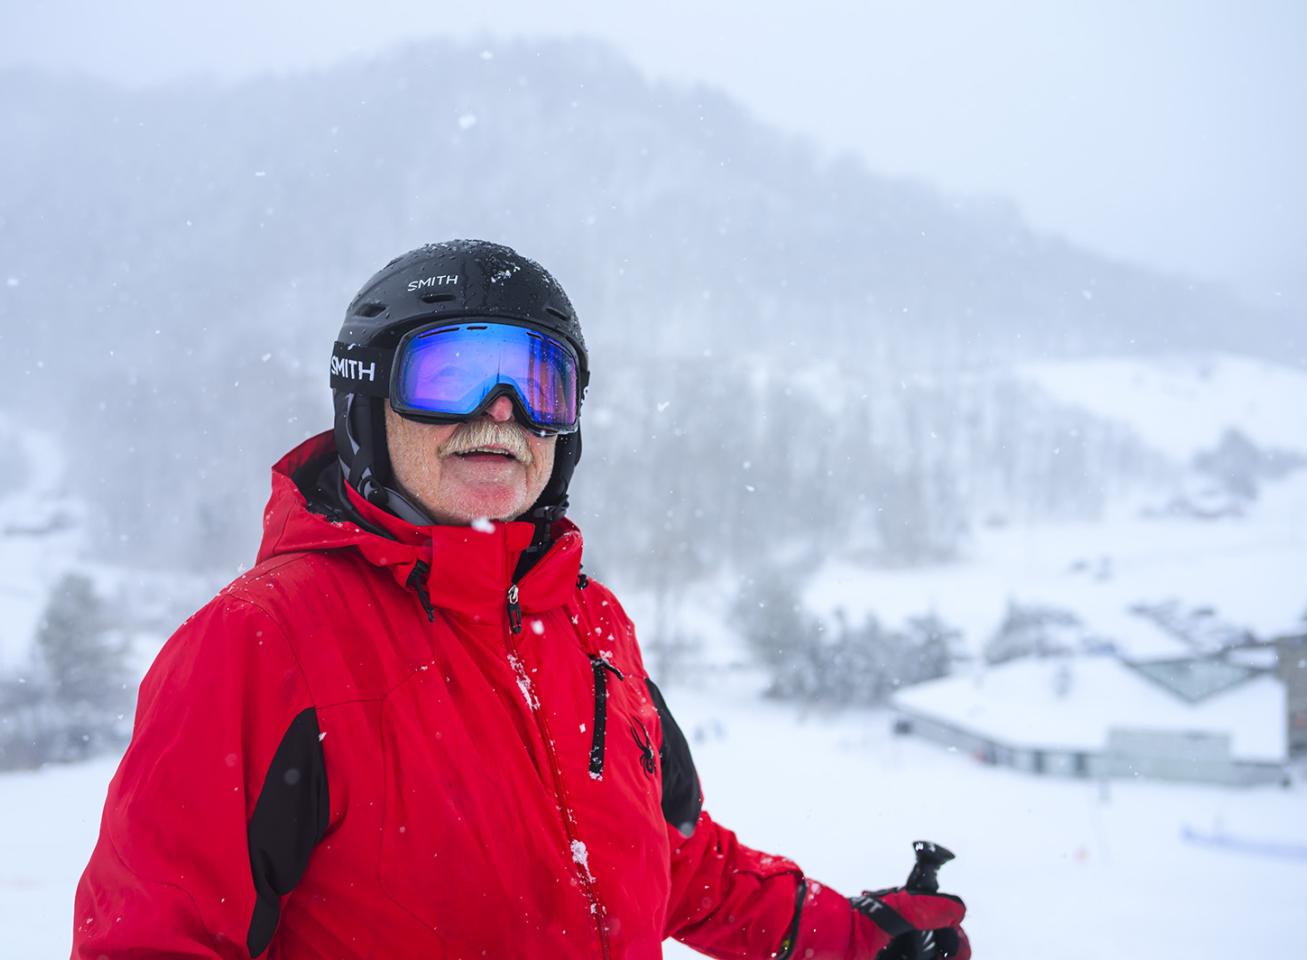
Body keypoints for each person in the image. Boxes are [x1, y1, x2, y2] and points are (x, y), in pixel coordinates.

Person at [72, 240, 971, 959]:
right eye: (450, 374)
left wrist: (850, 939)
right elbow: (152, 939)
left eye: (537, 382)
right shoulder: (257, 643)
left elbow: (670, 858)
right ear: (366, 401)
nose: (500, 411)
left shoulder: (591, 624)